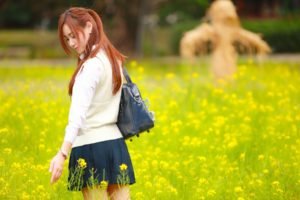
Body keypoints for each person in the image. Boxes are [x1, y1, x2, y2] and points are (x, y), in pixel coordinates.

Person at [49, 7, 135, 199]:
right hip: (115, 145)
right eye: (67, 39)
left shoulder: (90, 67)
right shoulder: (114, 60)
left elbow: (77, 116)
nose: (71, 43)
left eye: (73, 36)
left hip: (90, 147)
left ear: (89, 26)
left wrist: (62, 154)